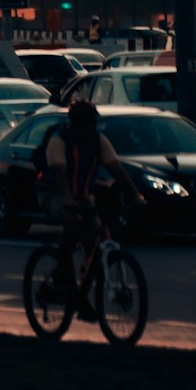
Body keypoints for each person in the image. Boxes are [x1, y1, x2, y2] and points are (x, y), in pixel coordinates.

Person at [43, 99, 142, 318]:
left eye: (92, 122)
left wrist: (136, 195)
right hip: (56, 195)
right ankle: (65, 283)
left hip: (84, 198)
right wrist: (68, 200)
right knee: (74, 225)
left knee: (97, 237)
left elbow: (116, 169)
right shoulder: (60, 140)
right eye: (85, 122)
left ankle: (82, 291)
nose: (90, 127)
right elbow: (60, 173)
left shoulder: (98, 141)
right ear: (74, 123)